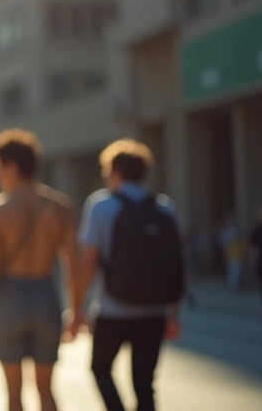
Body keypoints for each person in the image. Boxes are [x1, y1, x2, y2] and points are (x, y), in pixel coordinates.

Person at [0, 129, 80, 411]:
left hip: (11, 299)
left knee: (13, 393)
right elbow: (73, 264)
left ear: (10, 167)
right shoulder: (61, 207)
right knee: (46, 389)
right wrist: (77, 310)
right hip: (46, 296)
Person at [75, 139, 183, 411]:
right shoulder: (165, 207)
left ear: (115, 171)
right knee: (145, 382)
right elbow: (177, 264)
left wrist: (77, 307)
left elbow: (89, 261)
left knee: (100, 368)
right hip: (155, 311)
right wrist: (173, 313)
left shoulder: (100, 205)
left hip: (113, 308)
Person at [219, 215, 245, 291]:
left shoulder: (239, 230)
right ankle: (233, 285)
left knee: (237, 270)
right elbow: (223, 244)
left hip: (238, 254)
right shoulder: (226, 232)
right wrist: (224, 254)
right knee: (233, 270)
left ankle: (235, 284)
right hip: (231, 254)